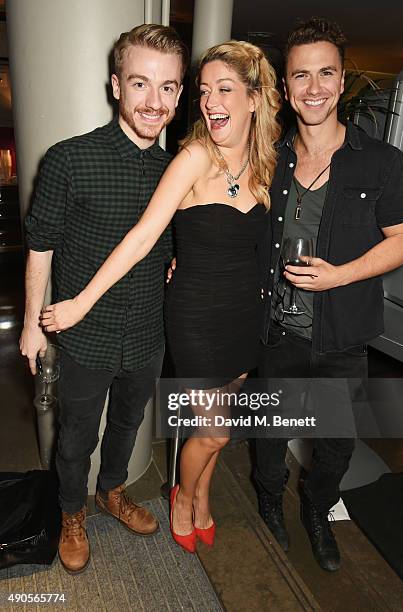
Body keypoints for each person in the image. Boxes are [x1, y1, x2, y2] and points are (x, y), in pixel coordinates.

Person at [40, 40, 281, 553]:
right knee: (206, 434)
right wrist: (78, 303)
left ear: (255, 98)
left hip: (235, 318)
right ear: (117, 87)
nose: (210, 101)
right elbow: (142, 235)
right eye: (204, 90)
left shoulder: (266, 165)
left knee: (179, 424)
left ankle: (182, 499)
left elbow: (242, 243)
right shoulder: (192, 156)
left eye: (224, 89)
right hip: (186, 321)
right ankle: (141, 503)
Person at [19, 23, 188, 574]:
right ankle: (72, 511)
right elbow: (40, 247)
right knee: (75, 436)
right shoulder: (69, 159)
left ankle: (111, 492)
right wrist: (30, 325)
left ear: (180, 93)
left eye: (167, 88)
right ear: (116, 85)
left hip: (147, 333)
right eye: (140, 84)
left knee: (128, 424)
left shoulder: (179, 171)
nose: (153, 101)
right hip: (84, 335)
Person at [254, 17, 403, 572]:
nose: (313, 87)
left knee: (336, 443)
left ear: (342, 82)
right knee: (269, 432)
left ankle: (317, 508)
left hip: (342, 336)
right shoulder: (269, 158)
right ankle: (269, 498)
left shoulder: (381, 162)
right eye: (301, 75)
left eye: (326, 73)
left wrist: (340, 275)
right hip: (275, 331)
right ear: (286, 84)